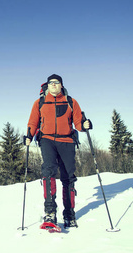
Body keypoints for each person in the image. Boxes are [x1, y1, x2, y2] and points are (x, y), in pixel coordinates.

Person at [25, 74, 91, 228]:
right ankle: (50, 212)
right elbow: (33, 122)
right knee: (48, 172)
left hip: (67, 141)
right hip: (47, 139)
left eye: (56, 82)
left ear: (61, 85)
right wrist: (29, 136)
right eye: (50, 83)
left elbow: (78, 123)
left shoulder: (71, 102)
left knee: (68, 176)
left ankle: (69, 214)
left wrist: (84, 126)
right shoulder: (39, 102)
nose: (53, 85)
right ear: (47, 86)